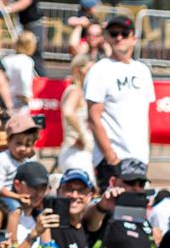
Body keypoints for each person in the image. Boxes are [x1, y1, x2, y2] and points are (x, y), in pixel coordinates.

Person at [84, 14, 153, 184]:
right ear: (107, 37)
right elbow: (94, 117)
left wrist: (146, 154)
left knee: (135, 209)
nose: (119, 37)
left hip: (139, 157)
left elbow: (145, 116)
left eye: (124, 33)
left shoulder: (143, 70)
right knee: (111, 208)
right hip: (113, 158)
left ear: (134, 38)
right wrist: (110, 156)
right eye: (114, 33)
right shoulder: (100, 70)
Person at [56, 52, 97, 176]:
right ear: (78, 70)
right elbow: (68, 112)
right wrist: (83, 135)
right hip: (76, 150)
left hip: (76, 151)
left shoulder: (76, 90)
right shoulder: (75, 90)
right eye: (88, 69)